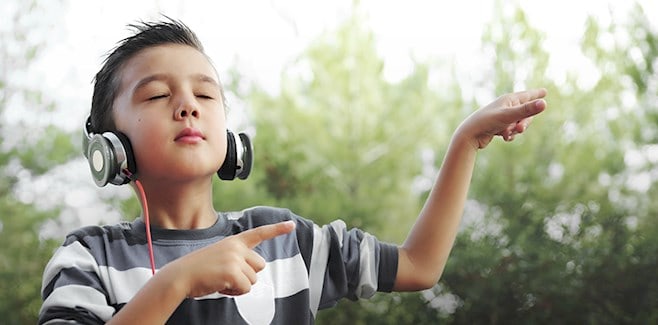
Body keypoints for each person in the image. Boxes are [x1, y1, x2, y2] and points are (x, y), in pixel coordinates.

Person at [39, 18, 547, 324]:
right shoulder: (88, 257)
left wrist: (466, 142)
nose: (188, 106)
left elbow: (419, 266)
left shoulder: (286, 240)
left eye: (206, 93)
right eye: (156, 94)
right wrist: (175, 283)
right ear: (110, 148)